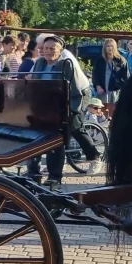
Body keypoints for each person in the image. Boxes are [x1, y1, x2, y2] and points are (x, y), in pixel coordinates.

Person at [27, 36, 101, 187]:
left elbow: (73, 91)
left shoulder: (66, 63)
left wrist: (70, 112)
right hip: (47, 104)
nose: (47, 51)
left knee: (67, 130)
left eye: (52, 49)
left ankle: (56, 175)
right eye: (45, 48)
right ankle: (33, 172)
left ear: (60, 51)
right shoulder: (40, 62)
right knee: (35, 134)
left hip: (70, 99)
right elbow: (33, 82)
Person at [93, 38, 129, 117]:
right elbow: (95, 74)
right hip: (102, 88)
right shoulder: (100, 60)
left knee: (112, 111)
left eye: (112, 46)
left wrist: (123, 87)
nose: (110, 48)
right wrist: (97, 85)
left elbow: (126, 77)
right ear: (105, 48)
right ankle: (103, 126)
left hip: (114, 89)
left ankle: (111, 127)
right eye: (108, 46)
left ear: (115, 47)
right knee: (102, 110)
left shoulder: (121, 60)